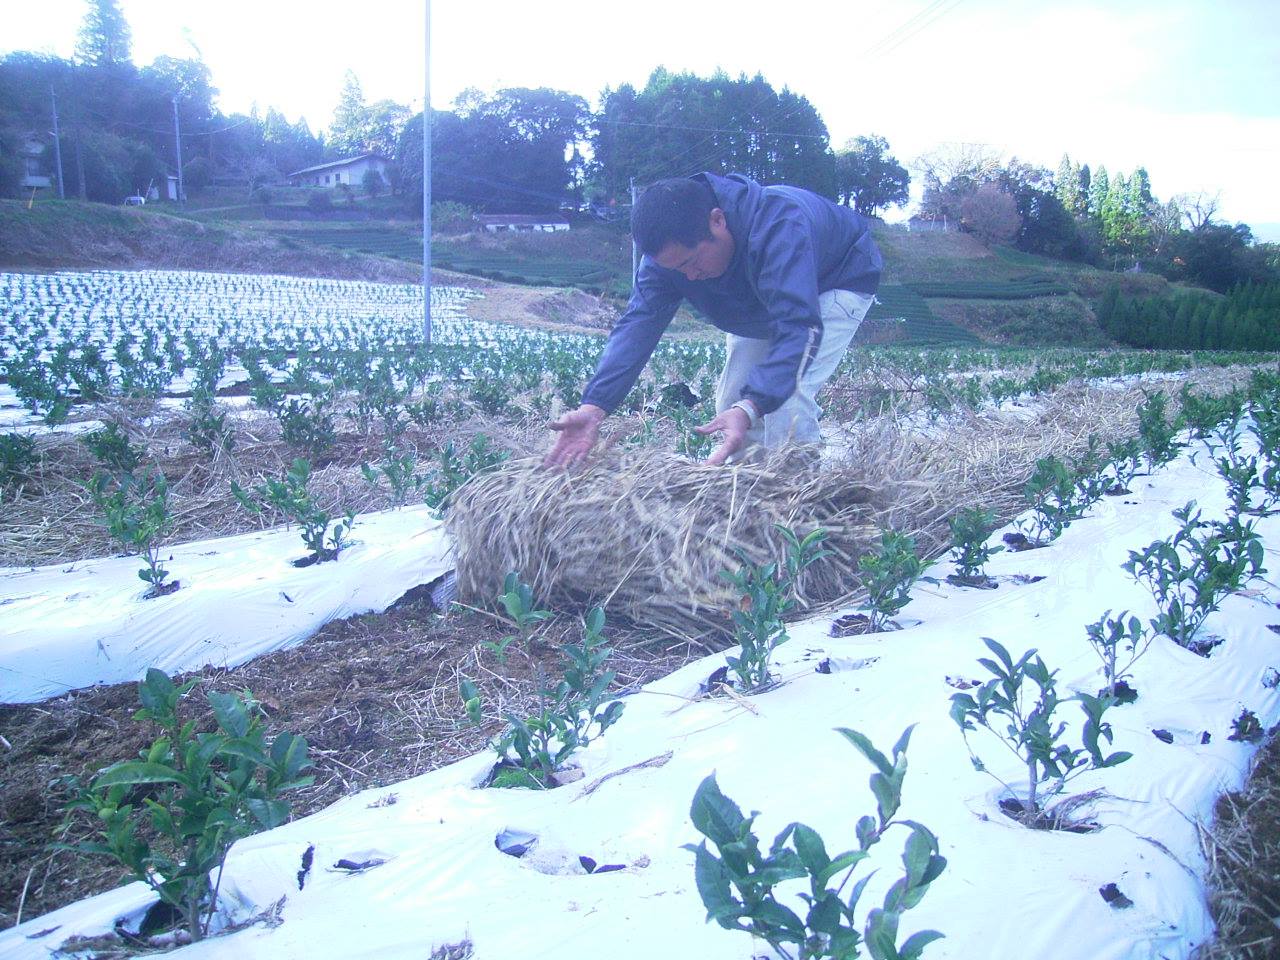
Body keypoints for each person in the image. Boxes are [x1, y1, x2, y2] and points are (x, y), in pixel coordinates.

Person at [544, 171, 882, 468]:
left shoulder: (778, 227)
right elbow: (637, 328)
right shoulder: (668, 259)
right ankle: (747, 494)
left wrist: (752, 407)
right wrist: (594, 407)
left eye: (691, 262)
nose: (689, 277)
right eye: (677, 269)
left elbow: (798, 326)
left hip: (836, 278)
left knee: (784, 401)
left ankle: (798, 506)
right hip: (762, 296)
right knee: (731, 403)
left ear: (717, 220)